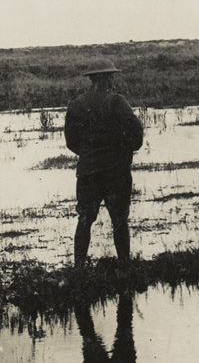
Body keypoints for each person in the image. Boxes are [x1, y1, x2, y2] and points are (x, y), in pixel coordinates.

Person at [65, 57, 143, 267]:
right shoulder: (117, 102)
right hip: (116, 173)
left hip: (88, 173)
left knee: (84, 220)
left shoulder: (76, 105)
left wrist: (89, 154)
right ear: (108, 78)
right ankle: (125, 266)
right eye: (111, 76)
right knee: (119, 221)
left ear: (91, 79)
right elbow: (136, 134)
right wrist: (125, 150)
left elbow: (71, 142)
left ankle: (79, 269)